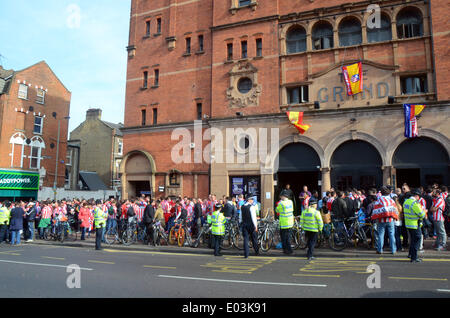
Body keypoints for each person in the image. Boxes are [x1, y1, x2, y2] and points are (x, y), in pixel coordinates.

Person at [371, 186, 399, 255]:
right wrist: (395, 217)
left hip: (381, 220)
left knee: (380, 235)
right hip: (390, 220)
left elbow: (375, 210)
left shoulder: (379, 200)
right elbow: (395, 210)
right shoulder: (391, 200)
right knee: (392, 235)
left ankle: (380, 250)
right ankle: (393, 250)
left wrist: (374, 217)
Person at [403, 189, 426, 263]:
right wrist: (424, 211)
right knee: (416, 241)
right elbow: (421, 214)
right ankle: (414, 257)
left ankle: (411, 254)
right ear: (416, 196)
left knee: (412, 241)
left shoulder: (406, 201)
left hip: (408, 224)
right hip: (415, 224)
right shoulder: (414, 203)